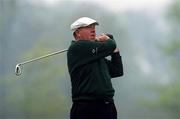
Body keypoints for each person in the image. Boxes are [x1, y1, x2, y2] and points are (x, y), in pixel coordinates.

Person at [67, 17, 124, 119]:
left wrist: (115, 51)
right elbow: (110, 45)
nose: (93, 30)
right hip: (85, 107)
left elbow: (117, 71)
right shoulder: (77, 48)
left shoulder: (95, 55)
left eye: (93, 27)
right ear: (78, 33)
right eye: (88, 27)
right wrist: (109, 41)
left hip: (106, 107)